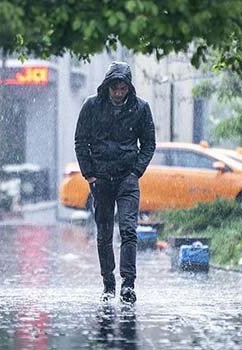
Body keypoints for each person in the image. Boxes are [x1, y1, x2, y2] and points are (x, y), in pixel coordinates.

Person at [74, 61, 156, 304]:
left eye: (123, 89)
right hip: (101, 179)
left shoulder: (141, 108)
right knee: (104, 231)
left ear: (129, 88)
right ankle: (108, 284)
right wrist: (89, 174)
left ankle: (128, 284)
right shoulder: (91, 106)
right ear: (108, 87)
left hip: (127, 178)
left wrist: (136, 171)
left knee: (129, 230)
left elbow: (149, 144)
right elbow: (81, 141)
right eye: (114, 88)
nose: (118, 93)